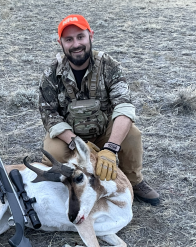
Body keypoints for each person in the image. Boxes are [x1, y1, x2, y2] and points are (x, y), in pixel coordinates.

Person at [38, 14, 160, 206]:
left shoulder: (109, 66)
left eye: (80, 37)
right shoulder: (51, 73)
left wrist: (111, 149)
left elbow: (124, 106)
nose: (76, 44)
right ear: (60, 42)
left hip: (104, 130)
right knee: (52, 151)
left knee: (133, 135)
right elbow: (49, 115)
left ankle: (134, 182)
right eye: (69, 39)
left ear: (91, 36)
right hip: (71, 135)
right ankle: (74, 183)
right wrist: (76, 143)